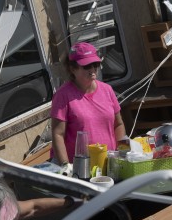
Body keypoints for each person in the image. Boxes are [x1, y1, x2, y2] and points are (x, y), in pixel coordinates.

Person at [50, 42, 128, 172]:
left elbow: (118, 125)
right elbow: (58, 134)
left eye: (95, 64)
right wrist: (66, 167)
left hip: (108, 164)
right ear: (72, 68)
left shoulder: (107, 90)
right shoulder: (62, 95)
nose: (92, 69)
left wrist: (122, 154)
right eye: (87, 66)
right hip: (79, 169)